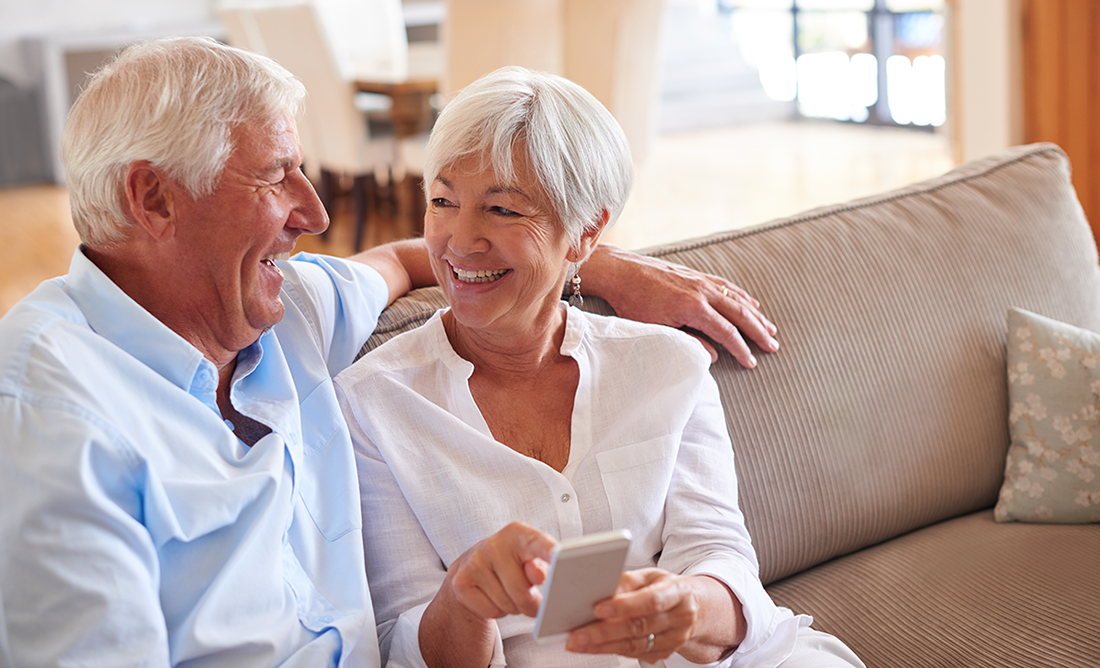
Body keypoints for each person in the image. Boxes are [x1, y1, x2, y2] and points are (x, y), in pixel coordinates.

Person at [0, 38, 779, 668]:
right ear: (155, 199)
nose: (315, 211)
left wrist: (591, 260)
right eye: (277, 177)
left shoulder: (290, 307)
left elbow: (417, 256)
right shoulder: (51, 418)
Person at [334, 67, 863, 668]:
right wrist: (464, 597)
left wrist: (685, 604)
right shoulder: (371, 404)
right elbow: (399, 644)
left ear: (586, 233)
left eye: (503, 209)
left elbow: (721, 557)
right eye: (442, 201)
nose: (459, 241)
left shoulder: (669, 366)